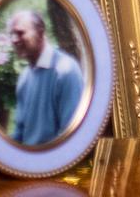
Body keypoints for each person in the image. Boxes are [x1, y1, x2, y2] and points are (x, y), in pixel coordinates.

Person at [7, 9, 84, 146]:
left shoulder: (65, 71)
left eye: (20, 33)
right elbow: (20, 132)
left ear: (41, 33)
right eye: (12, 34)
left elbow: (71, 137)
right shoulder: (25, 77)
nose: (14, 40)